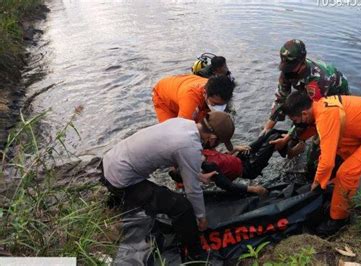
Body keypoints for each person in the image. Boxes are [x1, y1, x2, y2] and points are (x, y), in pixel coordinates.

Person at [100, 111, 235, 260]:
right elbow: (193, 190)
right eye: (219, 142)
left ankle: (118, 200)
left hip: (108, 161)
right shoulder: (189, 146)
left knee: (164, 195)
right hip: (121, 179)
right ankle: (195, 253)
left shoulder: (182, 123)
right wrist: (201, 218)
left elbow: (176, 154)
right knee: (182, 207)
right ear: (212, 138)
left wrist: (199, 176)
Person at [283, 92, 361, 236]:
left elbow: (326, 162)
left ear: (304, 113)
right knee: (341, 151)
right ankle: (335, 192)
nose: (296, 124)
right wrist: (286, 140)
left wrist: (317, 182)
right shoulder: (320, 106)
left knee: (347, 172)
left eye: (295, 120)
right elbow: (316, 136)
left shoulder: (325, 117)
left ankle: (338, 219)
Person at [262, 39, 350, 136]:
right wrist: (267, 128)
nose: (288, 71)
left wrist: (291, 136)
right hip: (311, 91)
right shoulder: (287, 72)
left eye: (292, 67)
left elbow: (311, 112)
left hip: (336, 95)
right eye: (286, 67)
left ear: (302, 62)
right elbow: (281, 98)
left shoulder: (318, 79)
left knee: (322, 129)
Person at [169, 129, 287, 196]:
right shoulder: (210, 168)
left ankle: (291, 141)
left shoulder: (203, 151)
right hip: (249, 168)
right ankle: (291, 144)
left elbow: (222, 158)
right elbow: (228, 186)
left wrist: (235, 149)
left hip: (240, 158)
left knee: (271, 132)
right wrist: (254, 189)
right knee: (273, 139)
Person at [152, 74, 235, 147]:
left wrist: (229, 148)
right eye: (215, 103)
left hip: (181, 88)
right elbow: (182, 132)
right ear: (205, 93)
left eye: (222, 104)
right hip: (164, 97)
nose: (219, 108)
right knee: (173, 138)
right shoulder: (190, 99)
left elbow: (220, 128)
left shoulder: (219, 92)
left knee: (205, 130)